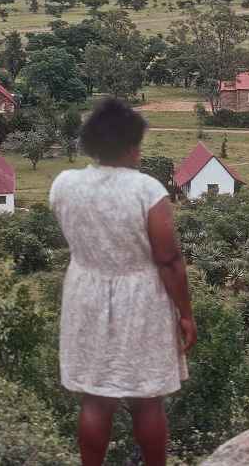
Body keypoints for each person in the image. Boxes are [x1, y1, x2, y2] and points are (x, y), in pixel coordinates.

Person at [49, 97, 196, 466]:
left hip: (85, 294)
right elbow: (169, 259)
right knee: (147, 400)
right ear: (132, 146)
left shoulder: (65, 184)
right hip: (141, 298)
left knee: (96, 399)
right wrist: (186, 313)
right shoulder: (146, 191)